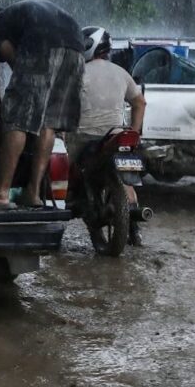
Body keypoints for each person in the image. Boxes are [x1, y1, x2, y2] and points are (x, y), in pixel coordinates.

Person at [0, 0, 85, 208]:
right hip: (76, 48)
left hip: (43, 46)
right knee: (49, 122)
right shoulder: (23, 14)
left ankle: (1, 193)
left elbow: (12, 58)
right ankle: (33, 193)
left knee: (17, 119)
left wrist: (24, 89)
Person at [67, 26, 147, 244]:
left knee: (63, 172)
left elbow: (63, 106)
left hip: (83, 137)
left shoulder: (77, 72)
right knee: (126, 177)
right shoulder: (122, 72)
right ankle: (135, 231)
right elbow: (140, 103)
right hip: (117, 135)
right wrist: (135, 132)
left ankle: (69, 200)